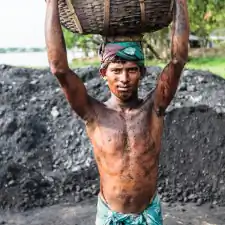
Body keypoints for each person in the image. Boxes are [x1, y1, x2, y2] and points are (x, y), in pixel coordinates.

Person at [45, 0, 189, 224]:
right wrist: (52, 4)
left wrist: (181, 3)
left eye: (131, 70)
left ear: (141, 72)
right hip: (110, 217)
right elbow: (59, 68)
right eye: (116, 70)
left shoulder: (154, 109)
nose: (124, 79)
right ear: (104, 73)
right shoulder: (92, 113)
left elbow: (178, 60)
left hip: (148, 215)